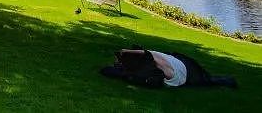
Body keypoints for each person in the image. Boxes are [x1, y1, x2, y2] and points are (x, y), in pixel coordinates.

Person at [101, 47, 237, 88]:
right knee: (207, 80)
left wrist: (126, 52)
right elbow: (146, 53)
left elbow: (146, 54)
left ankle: (227, 81)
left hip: (182, 69)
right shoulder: (152, 64)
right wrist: (126, 53)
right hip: (183, 69)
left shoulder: (151, 62)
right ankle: (226, 81)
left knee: (208, 80)